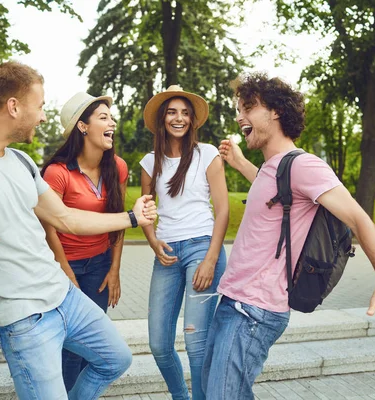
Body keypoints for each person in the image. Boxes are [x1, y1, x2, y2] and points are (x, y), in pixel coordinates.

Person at [0, 61, 157, 400]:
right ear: (13, 106)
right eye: (41, 106)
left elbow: (65, 218)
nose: (44, 117)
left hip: (65, 296)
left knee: (115, 359)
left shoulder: (21, 161)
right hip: (23, 318)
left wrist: (131, 219)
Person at [202, 73, 375, 400]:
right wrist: (240, 163)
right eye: (238, 108)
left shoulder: (304, 165)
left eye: (248, 107)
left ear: (276, 112)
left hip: (254, 310)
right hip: (234, 302)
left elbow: (358, 218)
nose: (239, 117)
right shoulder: (273, 167)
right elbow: (274, 199)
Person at [140, 85, 229, 400]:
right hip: (166, 254)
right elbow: (146, 211)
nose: (179, 118)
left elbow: (223, 210)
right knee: (159, 344)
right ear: (163, 118)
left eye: (185, 112)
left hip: (202, 249)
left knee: (195, 341)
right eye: (172, 112)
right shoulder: (150, 162)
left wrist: (210, 258)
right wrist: (152, 242)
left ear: (192, 119)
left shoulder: (207, 155)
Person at [40, 92, 128, 391]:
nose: (111, 122)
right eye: (103, 117)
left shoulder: (117, 167)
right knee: (69, 347)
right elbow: (49, 226)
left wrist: (114, 269)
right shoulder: (58, 172)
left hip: (100, 265)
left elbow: (119, 221)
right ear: (82, 127)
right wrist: (65, 269)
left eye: (111, 117)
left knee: (93, 343)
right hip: (66, 267)